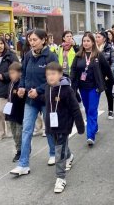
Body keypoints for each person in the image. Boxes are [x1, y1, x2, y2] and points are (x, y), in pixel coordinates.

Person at [10, 29, 58, 176]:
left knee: (49, 128)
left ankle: (53, 153)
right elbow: (23, 74)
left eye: (35, 40)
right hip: (30, 100)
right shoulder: (28, 55)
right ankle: (23, 164)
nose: (32, 43)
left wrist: (39, 90)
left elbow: (53, 78)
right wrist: (21, 87)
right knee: (26, 130)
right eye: (30, 40)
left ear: (43, 40)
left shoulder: (50, 56)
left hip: (45, 98)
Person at [43, 62, 85, 193]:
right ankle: (70, 156)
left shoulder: (67, 89)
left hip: (63, 125)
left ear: (60, 74)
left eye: (53, 74)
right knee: (60, 147)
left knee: (58, 151)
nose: (50, 77)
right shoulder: (47, 88)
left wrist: (80, 126)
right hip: (51, 125)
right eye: (48, 74)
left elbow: (75, 108)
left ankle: (60, 178)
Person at [70, 33, 114, 146]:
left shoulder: (98, 55)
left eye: (88, 41)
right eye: (84, 41)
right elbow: (74, 71)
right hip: (82, 87)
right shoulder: (78, 55)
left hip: (94, 87)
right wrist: (72, 85)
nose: (86, 43)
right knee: (87, 109)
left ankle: (90, 136)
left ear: (92, 42)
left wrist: (113, 81)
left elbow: (107, 69)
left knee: (91, 109)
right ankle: (94, 126)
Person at [4, 62, 26, 162]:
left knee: (19, 133)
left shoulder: (21, 84)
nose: (11, 75)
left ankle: (22, 150)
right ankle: (18, 149)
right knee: (14, 133)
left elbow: (22, 100)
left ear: (20, 73)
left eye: (13, 73)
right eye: (10, 73)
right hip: (11, 113)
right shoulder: (11, 84)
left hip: (19, 113)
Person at [95, 31, 114, 120]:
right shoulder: (93, 48)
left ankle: (110, 110)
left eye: (99, 37)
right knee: (95, 94)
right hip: (96, 75)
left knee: (108, 93)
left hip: (107, 75)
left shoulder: (109, 48)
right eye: (96, 37)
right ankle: (93, 112)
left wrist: (109, 73)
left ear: (104, 39)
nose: (97, 39)